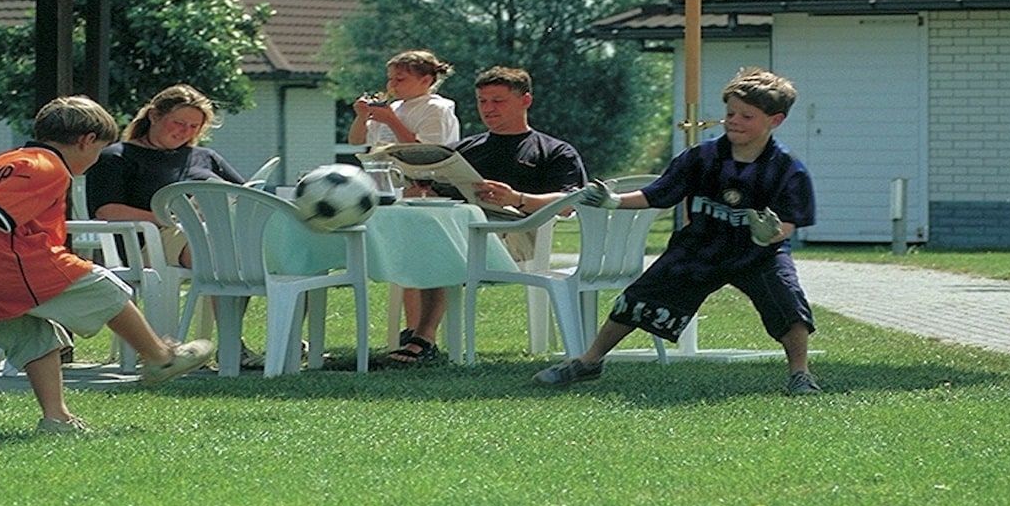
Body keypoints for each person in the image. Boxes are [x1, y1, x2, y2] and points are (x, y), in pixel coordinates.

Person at [0, 96, 214, 434]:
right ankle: (160, 357)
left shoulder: (0, 162)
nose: (94, 161)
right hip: (7, 265)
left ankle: (56, 419)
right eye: (97, 151)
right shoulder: (46, 166)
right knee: (110, 289)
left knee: (37, 340)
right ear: (86, 140)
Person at [521, 67, 821, 396]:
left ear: (774, 121)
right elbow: (658, 193)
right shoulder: (702, 157)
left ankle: (800, 374)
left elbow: (788, 222)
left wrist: (771, 234)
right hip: (699, 247)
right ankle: (589, 361)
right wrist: (613, 201)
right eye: (730, 113)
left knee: (789, 304)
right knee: (637, 298)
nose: (733, 120)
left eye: (746, 116)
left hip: (758, 253)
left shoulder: (788, 169)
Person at [388, 66, 588, 367]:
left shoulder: (553, 151)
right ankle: (418, 336)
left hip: (521, 235)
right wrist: (421, 191)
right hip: (463, 231)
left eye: (498, 101)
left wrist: (517, 199)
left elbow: (570, 202)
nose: (488, 109)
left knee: (438, 242)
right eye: (482, 101)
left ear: (525, 101)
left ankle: (422, 337)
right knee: (424, 233)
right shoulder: (464, 150)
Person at [85, 85, 243, 267]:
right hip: (152, 239)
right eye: (179, 123)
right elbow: (107, 210)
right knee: (222, 252)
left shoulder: (206, 157)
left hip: (212, 231)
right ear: (154, 116)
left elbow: (247, 194)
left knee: (251, 246)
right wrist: (172, 218)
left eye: (194, 126)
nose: (186, 131)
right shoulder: (117, 157)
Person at [349, 49, 459, 149]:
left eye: (400, 79)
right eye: (390, 78)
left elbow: (425, 153)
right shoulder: (393, 107)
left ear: (425, 81)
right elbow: (356, 141)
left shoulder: (436, 108)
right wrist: (362, 116)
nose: (392, 84)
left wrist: (391, 120)